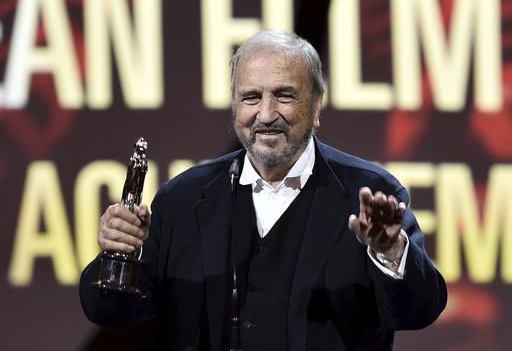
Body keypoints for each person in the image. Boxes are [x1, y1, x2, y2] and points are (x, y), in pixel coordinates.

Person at [80, 29, 447, 351]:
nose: (266, 114)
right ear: (235, 105)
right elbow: (113, 313)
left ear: (317, 105)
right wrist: (120, 256)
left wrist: (390, 251)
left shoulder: (371, 192)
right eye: (251, 97)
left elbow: (418, 311)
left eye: (284, 95)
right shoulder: (182, 200)